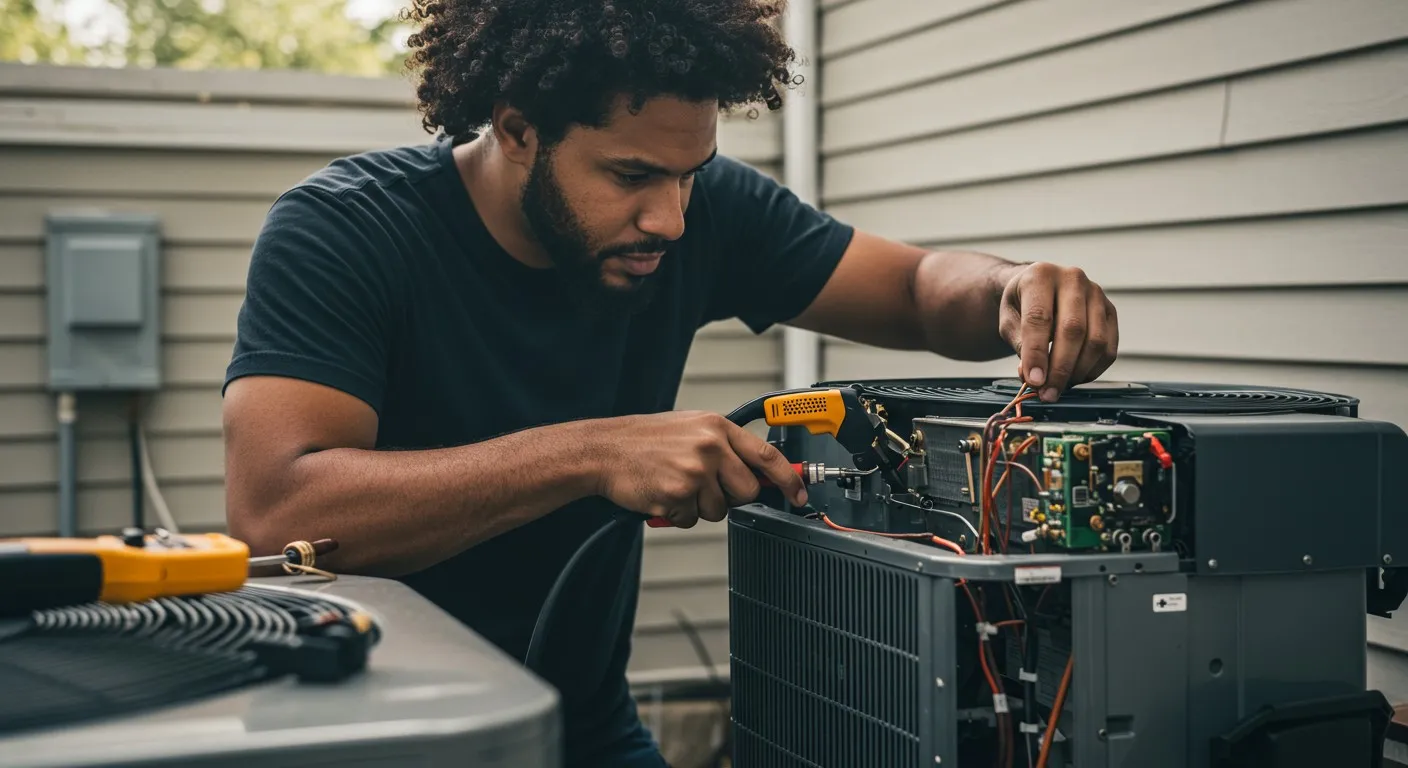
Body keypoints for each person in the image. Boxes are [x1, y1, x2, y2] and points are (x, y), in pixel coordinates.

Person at [220, 0, 1119, 765]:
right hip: (368, 737)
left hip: (586, 729)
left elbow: (919, 292)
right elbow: (279, 510)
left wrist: (1011, 289)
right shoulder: (344, 230)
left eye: (689, 174)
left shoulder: (705, 209)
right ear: (517, 124)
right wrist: (589, 453)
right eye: (632, 175)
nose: (672, 218)